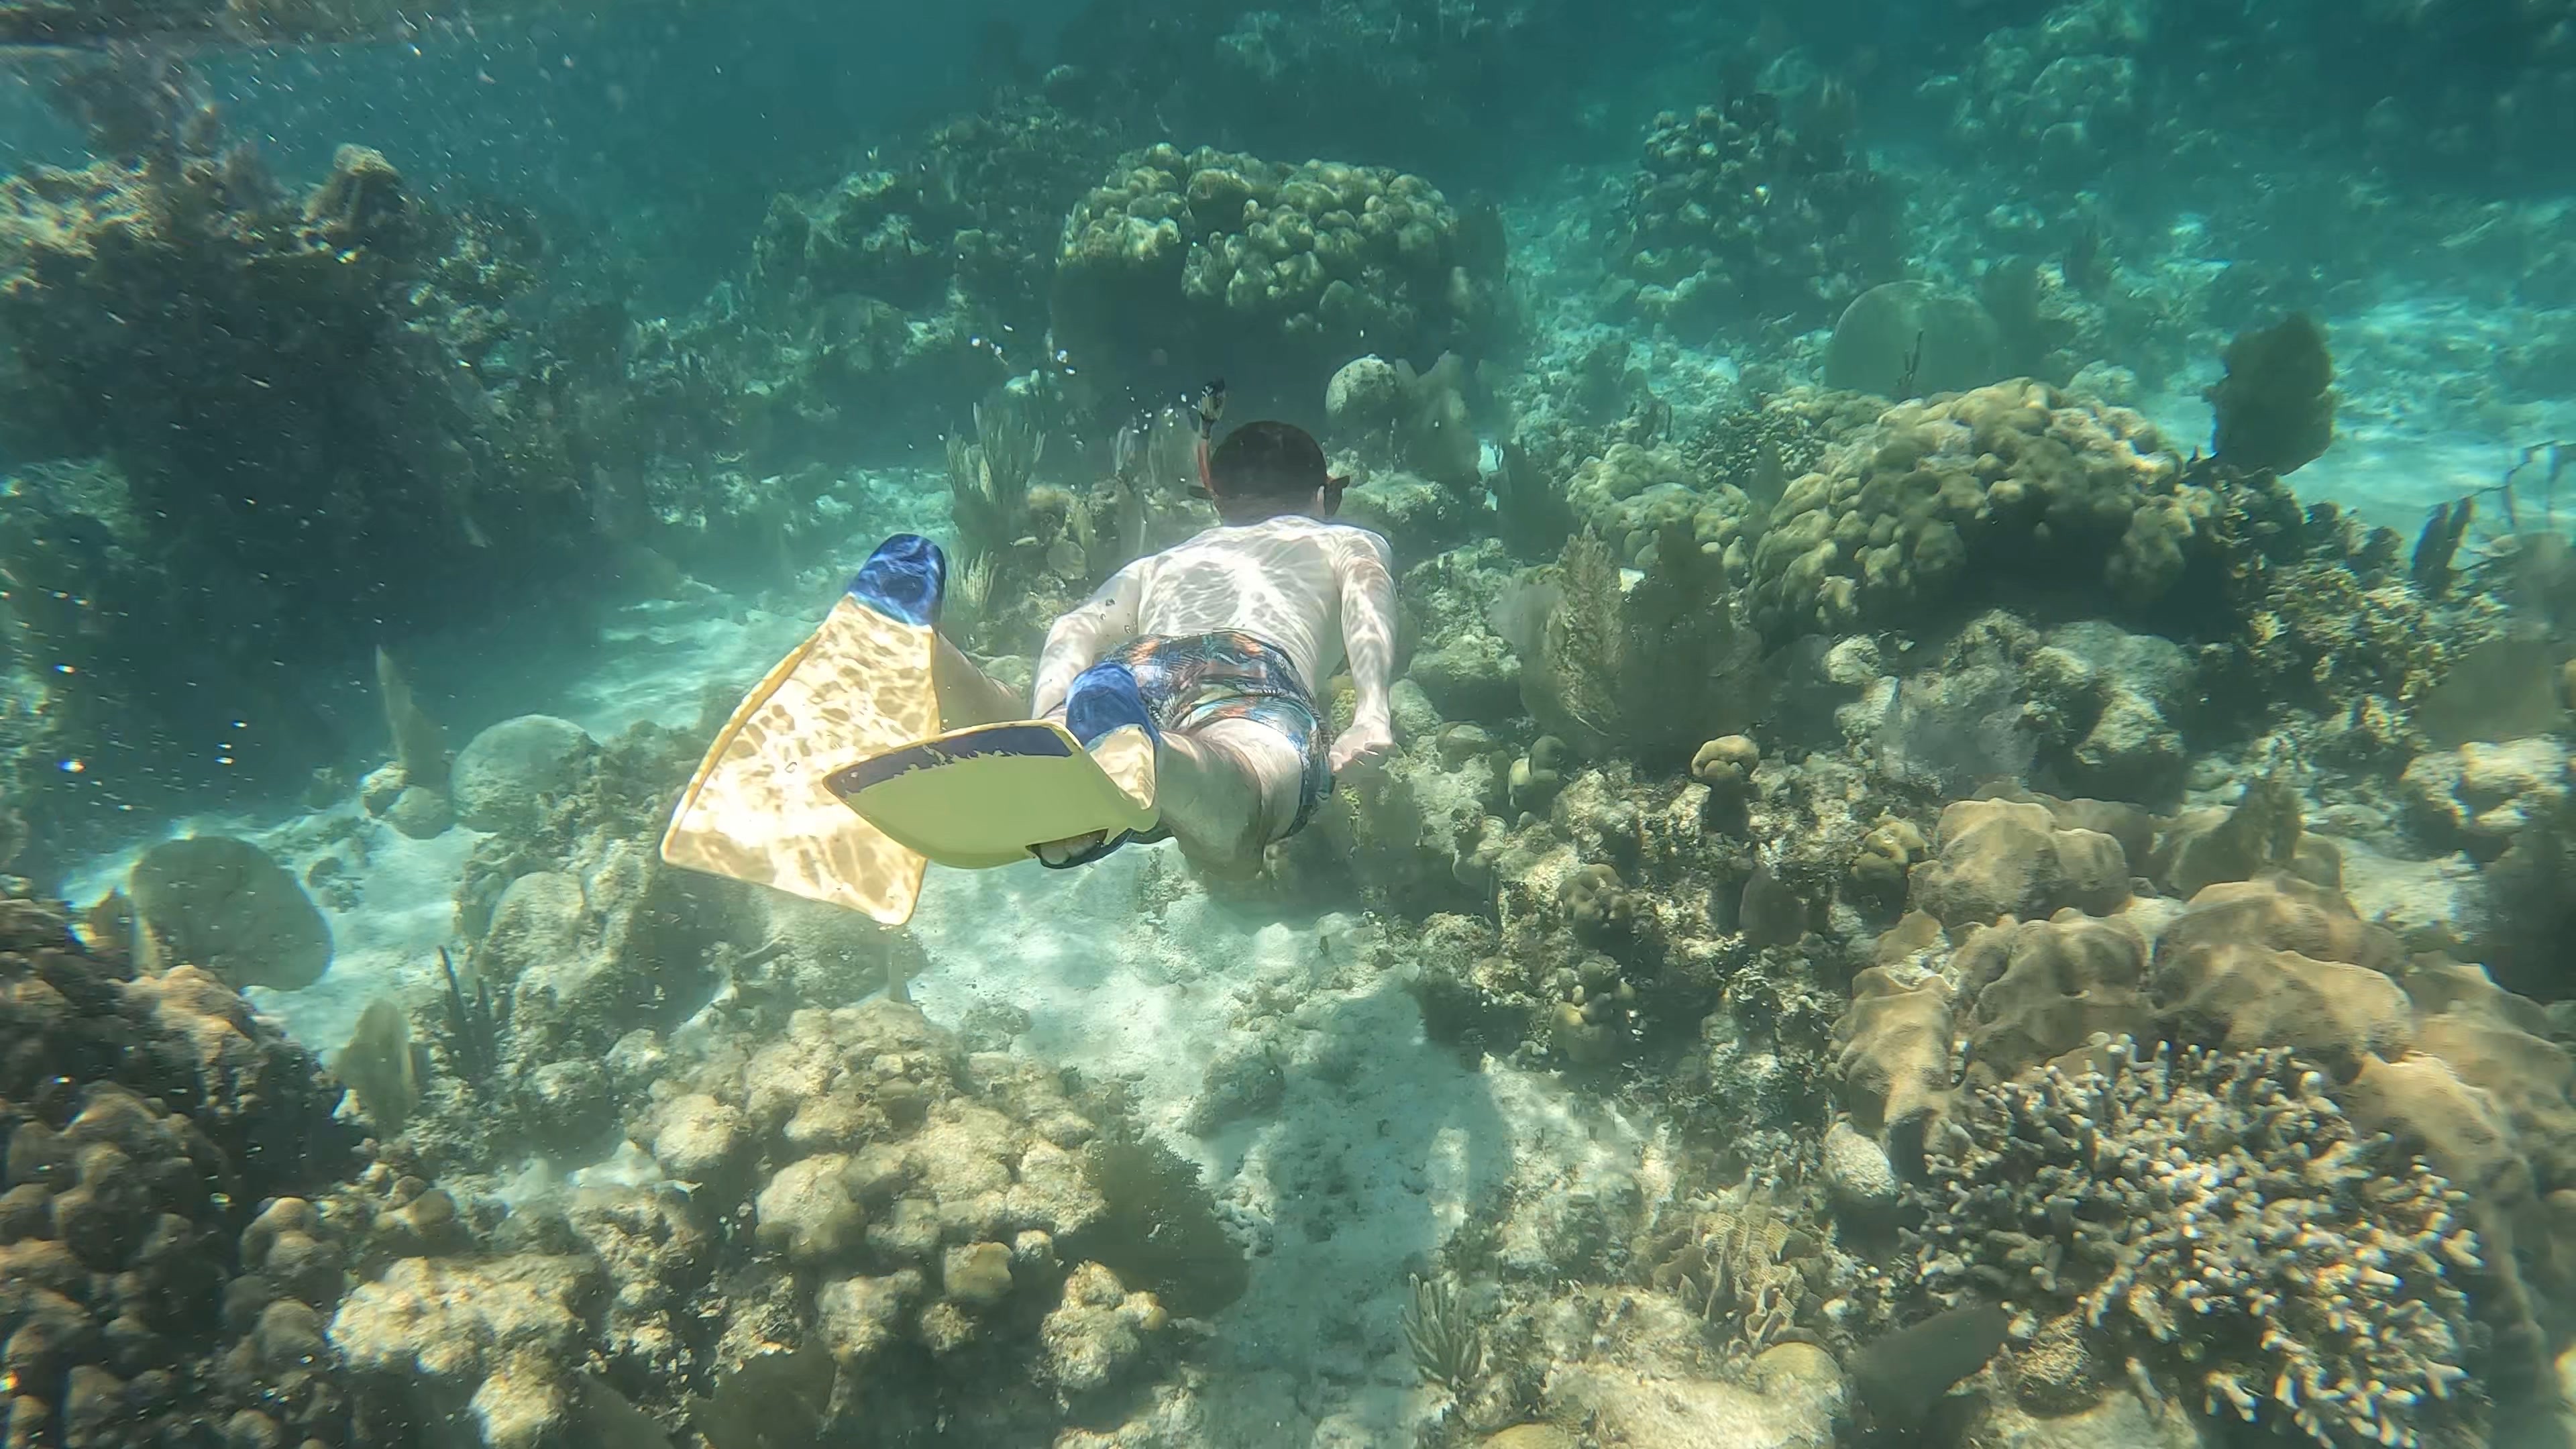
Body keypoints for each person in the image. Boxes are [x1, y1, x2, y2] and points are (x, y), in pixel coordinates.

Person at [932, 419, 1398, 875]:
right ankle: (1153, 752)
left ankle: (934, 652)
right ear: (1322, 495)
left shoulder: (1162, 561)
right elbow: (1368, 593)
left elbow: (1075, 626)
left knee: (1085, 743)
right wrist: (1371, 713)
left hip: (1136, 666)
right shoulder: (1342, 539)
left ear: (1218, 501)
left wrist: (1051, 717)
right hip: (1251, 667)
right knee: (1241, 822)